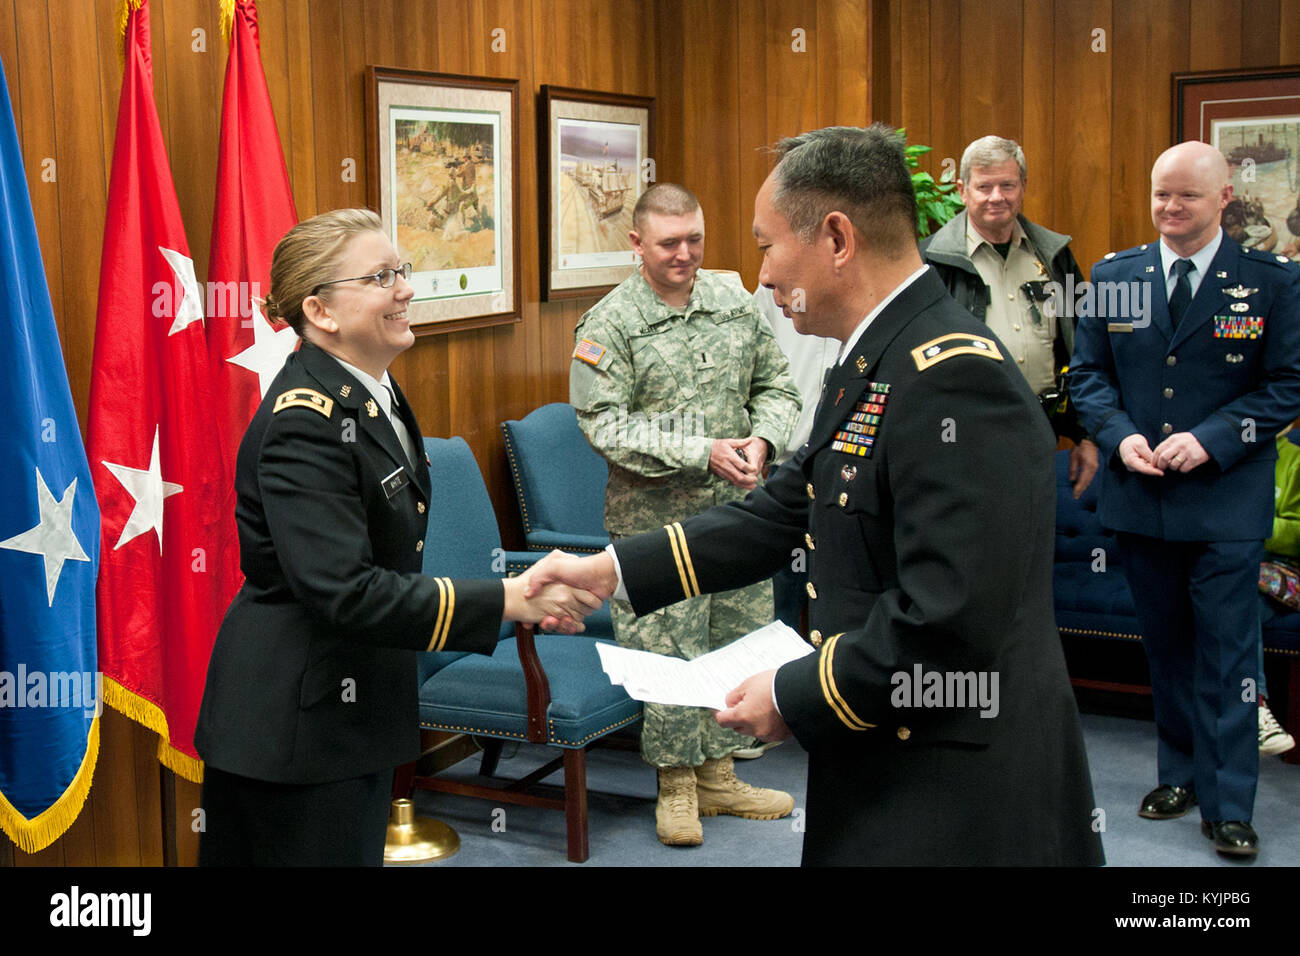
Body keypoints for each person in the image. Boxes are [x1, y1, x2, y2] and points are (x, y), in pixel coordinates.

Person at [540, 126, 1104, 866]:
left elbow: (946, 618)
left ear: (836, 238)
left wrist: (795, 692)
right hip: (886, 746)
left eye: (768, 245)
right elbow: (785, 508)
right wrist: (613, 573)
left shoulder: (954, 379)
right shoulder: (872, 358)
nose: (763, 275)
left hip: (958, 784)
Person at [194, 209, 598, 866]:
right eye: (382, 277)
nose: (407, 288)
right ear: (321, 311)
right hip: (295, 728)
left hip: (350, 711)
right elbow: (345, 594)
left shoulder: (371, 388)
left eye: (402, 270)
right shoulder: (308, 423)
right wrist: (508, 600)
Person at [1070, 141, 1300, 857]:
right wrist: (1115, 436)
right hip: (1140, 495)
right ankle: (1181, 774)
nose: (1171, 209)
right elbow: (1087, 376)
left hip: (1225, 502)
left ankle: (1230, 803)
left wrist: (1213, 438)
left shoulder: (1270, 281)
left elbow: (1288, 385)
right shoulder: (1116, 275)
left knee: (1228, 656)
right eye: (1160, 194)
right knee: (1165, 646)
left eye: (1187, 197)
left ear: (1224, 196)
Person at [569, 183, 801, 846]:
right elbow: (603, 425)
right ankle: (675, 786)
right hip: (656, 524)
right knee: (668, 651)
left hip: (738, 515)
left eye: (694, 239)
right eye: (669, 243)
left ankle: (720, 778)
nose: (685, 254)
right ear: (636, 242)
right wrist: (702, 452)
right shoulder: (609, 323)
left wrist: (764, 440)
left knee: (735, 641)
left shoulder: (733, 300)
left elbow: (776, 386)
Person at [921, 135, 1098, 498]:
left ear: (1023, 187)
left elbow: (1085, 348)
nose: (996, 196)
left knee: (1031, 545)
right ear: (962, 189)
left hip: (1040, 433)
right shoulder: (930, 262)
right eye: (984, 186)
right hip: (959, 441)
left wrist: (1084, 433)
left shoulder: (1054, 258)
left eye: (1007, 185)